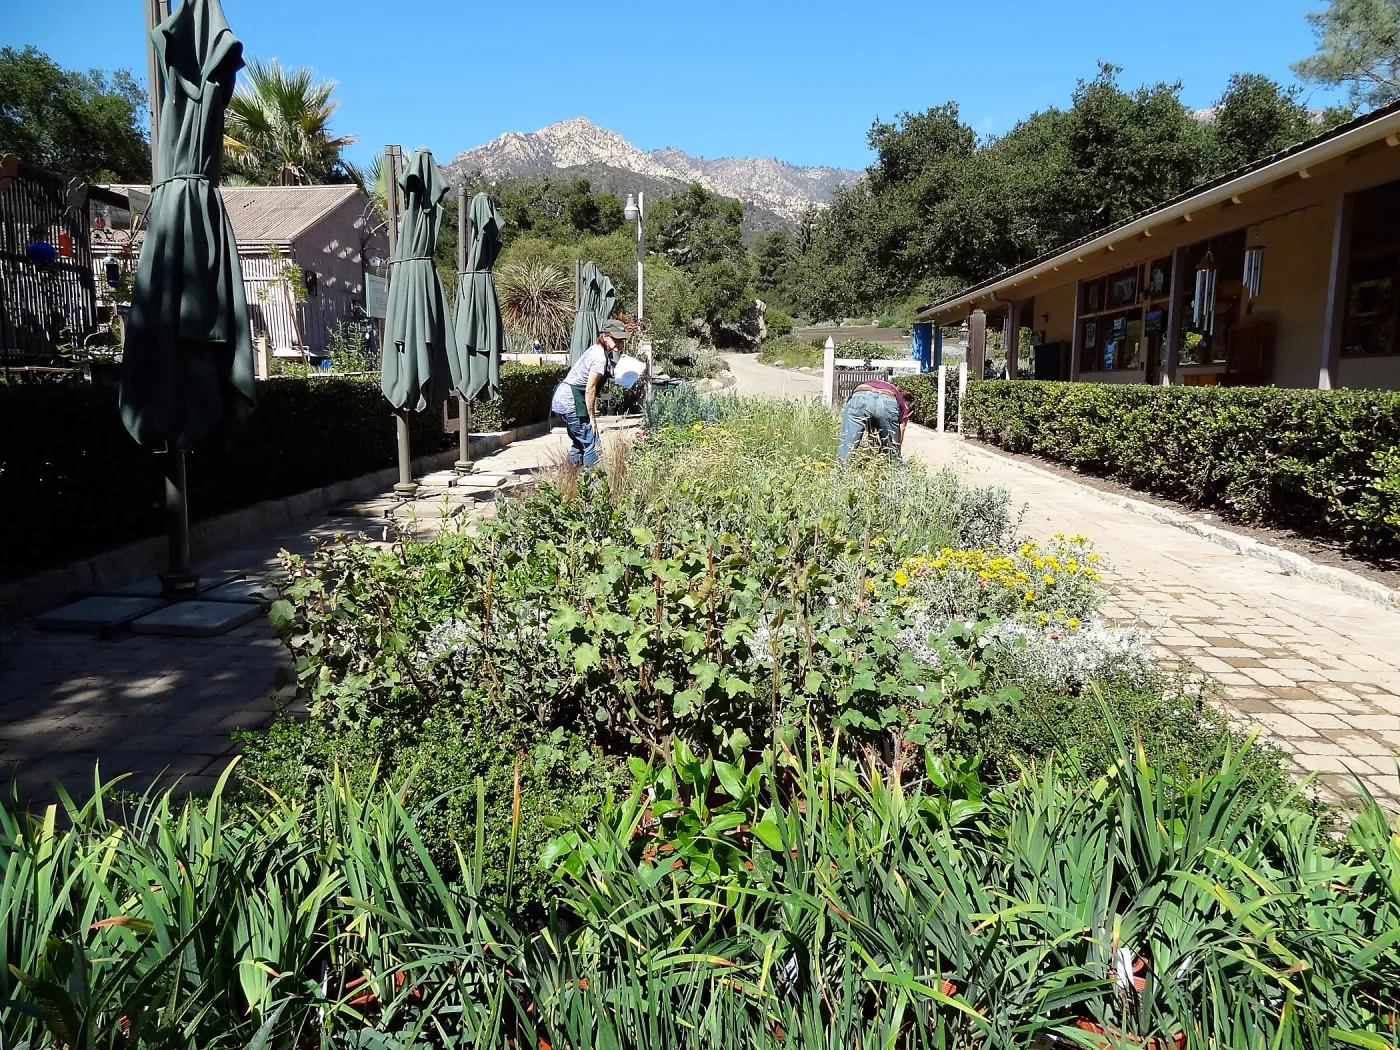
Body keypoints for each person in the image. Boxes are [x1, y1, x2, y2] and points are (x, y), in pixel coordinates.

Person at [551, 319, 627, 467]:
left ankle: (569, 479)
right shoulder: (599, 357)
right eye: (617, 338)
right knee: (593, 444)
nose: (620, 343)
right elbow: (590, 388)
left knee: (579, 444)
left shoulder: (596, 350)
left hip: (561, 401)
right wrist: (592, 418)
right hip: (571, 402)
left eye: (622, 339)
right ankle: (594, 484)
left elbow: (610, 371)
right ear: (605, 336)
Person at [838, 378, 910, 462]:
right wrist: (897, 450)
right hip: (887, 399)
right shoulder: (897, 395)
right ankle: (895, 469)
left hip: (859, 395)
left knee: (846, 449)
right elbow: (901, 430)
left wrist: (873, 450)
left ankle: (841, 470)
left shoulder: (866, 382)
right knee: (893, 455)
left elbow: (871, 431)